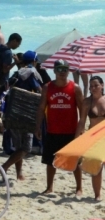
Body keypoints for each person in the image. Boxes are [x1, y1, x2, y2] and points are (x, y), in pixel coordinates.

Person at [35, 60, 84, 196]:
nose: (62, 72)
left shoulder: (75, 88)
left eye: (65, 69)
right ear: (54, 71)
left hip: (71, 131)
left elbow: (82, 110)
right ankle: (49, 187)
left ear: (68, 71)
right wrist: (38, 126)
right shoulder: (47, 87)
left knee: (75, 161)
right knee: (50, 161)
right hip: (52, 130)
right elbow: (41, 108)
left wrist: (81, 130)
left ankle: (79, 188)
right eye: (59, 69)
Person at [1, 50, 42, 181]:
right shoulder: (32, 72)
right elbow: (39, 91)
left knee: (19, 147)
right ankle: (4, 166)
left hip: (13, 113)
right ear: (34, 61)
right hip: (27, 114)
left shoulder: (17, 72)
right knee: (26, 147)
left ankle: (19, 173)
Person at [0, 32, 22, 132]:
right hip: (2, 81)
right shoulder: (8, 52)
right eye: (18, 44)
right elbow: (5, 69)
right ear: (14, 41)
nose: (18, 46)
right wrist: (15, 62)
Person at [81, 75, 105, 200]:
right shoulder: (87, 102)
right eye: (91, 86)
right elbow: (82, 121)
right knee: (96, 167)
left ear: (102, 86)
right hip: (93, 138)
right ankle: (97, 195)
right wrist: (77, 138)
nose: (93, 88)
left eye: (96, 85)